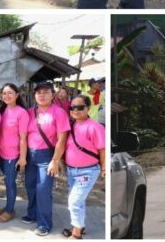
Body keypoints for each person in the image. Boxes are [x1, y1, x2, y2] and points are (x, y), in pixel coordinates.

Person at [23, 81, 70, 236]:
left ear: (53, 95)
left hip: (47, 156)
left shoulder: (59, 113)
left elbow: (62, 139)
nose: (41, 95)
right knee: (30, 186)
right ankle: (32, 214)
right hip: (30, 155)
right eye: (38, 92)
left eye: (45, 92)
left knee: (43, 189)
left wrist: (55, 161)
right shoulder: (30, 112)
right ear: (34, 95)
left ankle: (44, 224)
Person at [63, 95, 106, 240]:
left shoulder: (95, 127)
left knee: (74, 201)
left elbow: (103, 149)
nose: (75, 110)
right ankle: (78, 226)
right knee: (77, 201)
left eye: (80, 107)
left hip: (87, 171)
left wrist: (104, 169)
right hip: (71, 170)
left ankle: (76, 234)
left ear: (88, 108)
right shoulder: (71, 125)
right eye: (72, 107)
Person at [0, 83, 29, 223]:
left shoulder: (21, 112)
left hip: (13, 155)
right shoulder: (2, 111)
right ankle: (8, 206)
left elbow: (23, 138)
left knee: (10, 183)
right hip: (1, 154)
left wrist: (22, 158)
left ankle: (10, 211)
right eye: (4, 93)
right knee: (6, 181)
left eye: (10, 93)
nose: (7, 96)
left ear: (16, 95)